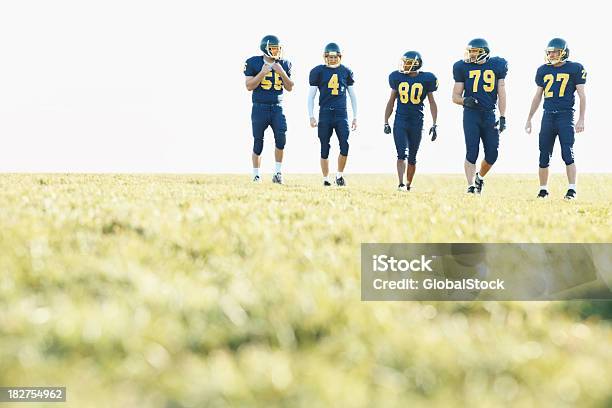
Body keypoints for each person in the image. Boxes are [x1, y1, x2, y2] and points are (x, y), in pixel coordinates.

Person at [525, 38, 587, 200]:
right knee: (544, 154)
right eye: (549, 52)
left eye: (555, 52)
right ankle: (543, 190)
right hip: (548, 116)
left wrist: (581, 119)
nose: (551, 54)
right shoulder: (543, 70)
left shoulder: (575, 68)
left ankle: (572, 189)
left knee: (568, 152)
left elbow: (582, 96)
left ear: (563, 52)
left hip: (566, 115)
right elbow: (537, 96)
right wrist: (529, 117)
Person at [452, 38, 507, 194]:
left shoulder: (497, 65)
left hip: (490, 114)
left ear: (484, 52)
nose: (471, 55)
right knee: (472, 151)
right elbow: (455, 96)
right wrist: (465, 100)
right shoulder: (462, 67)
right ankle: (470, 186)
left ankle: (479, 177)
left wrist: (503, 116)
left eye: (475, 52)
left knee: (492, 154)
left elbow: (501, 92)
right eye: (471, 52)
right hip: (471, 114)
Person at [384, 51, 438, 191]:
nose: (405, 65)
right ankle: (401, 183)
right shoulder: (397, 78)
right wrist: (386, 121)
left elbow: (432, 102)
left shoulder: (427, 79)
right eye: (404, 62)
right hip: (400, 120)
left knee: (413, 157)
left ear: (416, 64)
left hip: (417, 122)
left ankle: (408, 185)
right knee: (402, 153)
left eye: (408, 62)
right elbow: (391, 101)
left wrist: (434, 123)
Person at [244, 35, 294, 184]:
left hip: (277, 108)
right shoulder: (253, 62)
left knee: (281, 139)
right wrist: (262, 73)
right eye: (273, 48)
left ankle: (278, 173)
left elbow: (290, 87)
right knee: (258, 141)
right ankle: (256, 175)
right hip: (259, 107)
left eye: (278, 48)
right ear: (265, 48)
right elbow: (249, 86)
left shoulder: (284, 64)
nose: (277, 51)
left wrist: (282, 72)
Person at [308, 43, 357, 186]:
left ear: (339, 57)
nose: (332, 59)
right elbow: (311, 96)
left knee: (345, 145)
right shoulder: (318, 71)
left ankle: (339, 176)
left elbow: (352, 95)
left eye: (335, 57)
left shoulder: (346, 71)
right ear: (325, 57)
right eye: (330, 57)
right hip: (325, 113)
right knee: (324, 146)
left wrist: (355, 117)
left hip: (341, 113)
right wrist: (311, 115)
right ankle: (325, 179)